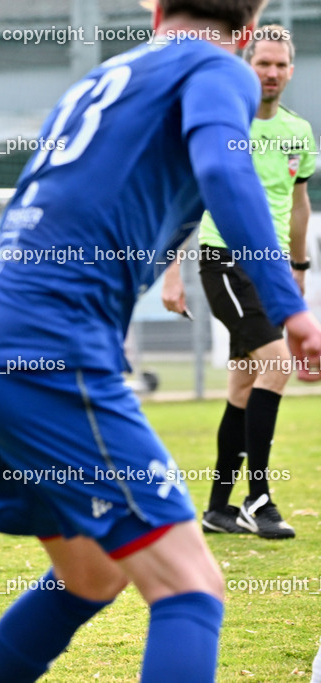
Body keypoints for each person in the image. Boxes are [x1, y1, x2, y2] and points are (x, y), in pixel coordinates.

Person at [0, 2, 321, 682]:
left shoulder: (102, 78)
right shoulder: (215, 67)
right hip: (48, 346)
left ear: (154, 13)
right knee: (190, 587)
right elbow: (225, 171)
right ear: (244, 34)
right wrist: (292, 307)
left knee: (88, 575)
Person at [162, 24, 314, 540]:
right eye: (262, 62)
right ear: (246, 65)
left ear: (290, 72)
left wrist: (297, 270)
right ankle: (258, 499)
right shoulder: (222, 125)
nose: (270, 73)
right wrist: (170, 274)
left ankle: (218, 509)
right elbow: (182, 200)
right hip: (223, 260)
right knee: (277, 364)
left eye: (279, 65)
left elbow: (297, 206)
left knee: (244, 383)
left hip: (271, 272)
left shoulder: (298, 132)